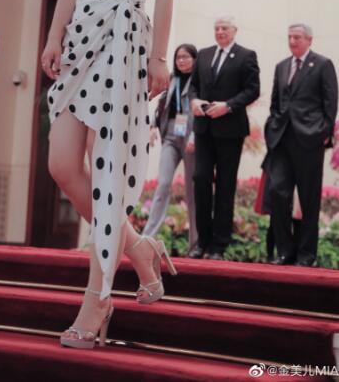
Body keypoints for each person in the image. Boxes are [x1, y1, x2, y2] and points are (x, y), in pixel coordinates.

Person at [41, 0, 186, 349]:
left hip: (124, 41)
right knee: (62, 164)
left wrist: (159, 58)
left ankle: (97, 300)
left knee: (106, 173)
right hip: (80, 41)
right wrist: (54, 38)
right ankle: (139, 248)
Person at [264, 23, 338, 266]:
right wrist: (272, 127)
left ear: (309, 40)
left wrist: (323, 132)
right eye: (289, 37)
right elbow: (275, 103)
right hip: (281, 139)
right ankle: (285, 252)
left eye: (297, 37)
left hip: (309, 140)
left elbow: (331, 103)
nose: (292, 41)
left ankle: (306, 255)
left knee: (308, 199)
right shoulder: (282, 66)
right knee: (278, 193)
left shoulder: (323, 64)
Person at [189, 15, 260, 260]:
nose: (220, 31)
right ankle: (202, 242)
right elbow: (193, 85)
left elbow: (252, 90)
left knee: (225, 186)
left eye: (224, 28)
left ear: (234, 30)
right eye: (217, 28)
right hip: (204, 129)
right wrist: (194, 100)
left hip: (230, 131)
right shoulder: (204, 54)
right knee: (200, 179)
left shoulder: (246, 56)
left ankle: (219, 245)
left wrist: (228, 106)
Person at [143, 43, 198, 252]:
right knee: (163, 184)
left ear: (195, 59)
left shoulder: (199, 81)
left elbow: (199, 111)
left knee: (192, 192)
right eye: (178, 57)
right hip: (171, 136)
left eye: (186, 57)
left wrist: (194, 136)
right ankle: (147, 238)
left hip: (191, 138)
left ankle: (195, 245)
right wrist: (151, 127)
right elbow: (159, 106)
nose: (181, 61)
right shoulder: (172, 79)